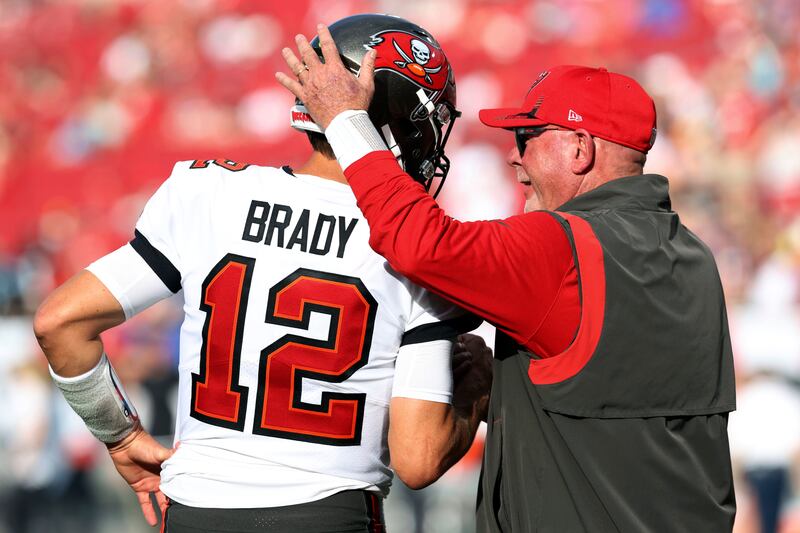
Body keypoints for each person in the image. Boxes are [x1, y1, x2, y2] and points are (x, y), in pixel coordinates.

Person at [33, 14, 492, 533]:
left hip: (192, 514)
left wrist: (119, 435)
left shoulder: (207, 193)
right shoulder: (419, 241)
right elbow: (419, 458)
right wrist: (477, 388)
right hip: (329, 515)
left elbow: (59, 322)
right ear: (398, 116)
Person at [277, 27, 737, 532]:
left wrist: (347, 122)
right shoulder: (691, 255)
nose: (514, 158)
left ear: (580, 149)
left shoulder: (561, 246)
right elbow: (625, 403)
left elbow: (417, 242)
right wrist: (514, 386)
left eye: (526, 138)